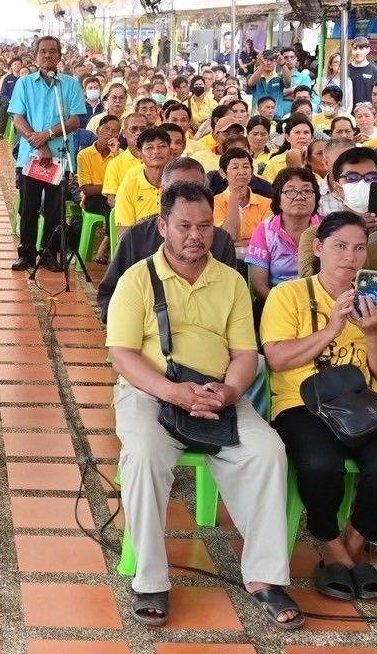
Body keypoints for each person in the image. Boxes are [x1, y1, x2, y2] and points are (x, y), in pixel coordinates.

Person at [108, 181, 300, 628]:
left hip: (217, 393)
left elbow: (245, 355)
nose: (195, 235)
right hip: (150, 391)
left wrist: (230, 392)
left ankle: (265, 577)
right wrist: (172, 392)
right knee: (143, 456)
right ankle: (150, 578)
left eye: (204, 226)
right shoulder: (137, 279)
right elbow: (122, 356)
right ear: (162, 227)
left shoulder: (230, 281)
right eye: (183, 226)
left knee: (268, 451)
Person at [262, 212, 377, 599]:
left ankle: (351, 547)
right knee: (319, 464)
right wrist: (332, 329)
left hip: (367, 403)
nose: (350, 257)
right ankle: (331, 546)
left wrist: (374, 334)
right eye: (340, 246)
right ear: (318, 248)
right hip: (303, 401)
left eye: (359, 248)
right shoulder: (288, 295)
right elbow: (277, 359)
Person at [96, 159, 239, 321]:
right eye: (178, 189)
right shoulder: (136, 237)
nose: (187, 198)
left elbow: (230, 296)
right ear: (163, 191)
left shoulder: (221, 240)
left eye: (196, 190)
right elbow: (109, 295)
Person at [296, 147, 377, 299]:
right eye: (352, 178)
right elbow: (308, 288)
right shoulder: (315, 235)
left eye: (371, 178)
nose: (362, 183)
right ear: (337, 188)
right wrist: (348, 235)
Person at [9, 36, 87, 271]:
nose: (47, 55)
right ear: (36, 56)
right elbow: (18, 118)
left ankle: (49, 253)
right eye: (42, 51)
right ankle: (27, 254)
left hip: (59, 157)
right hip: (31, 157)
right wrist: (39, 143)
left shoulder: (70, 84)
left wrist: (48, 135)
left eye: (53, 51)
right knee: (29, 208)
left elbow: (75, 120)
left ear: (60, 56)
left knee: (55, 209)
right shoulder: (24, 84)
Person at [245, 168, 320, 301]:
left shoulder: (328, 228)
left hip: (320, 301)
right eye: (291, 191)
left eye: (307, 191)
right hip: (276, 300)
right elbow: (259, 286)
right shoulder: (264, 230)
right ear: (278, 198)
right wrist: (284, 307)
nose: (299, 197)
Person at [113, 127, 173, 239]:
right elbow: (125, 232)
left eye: (162, 146)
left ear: (170, 152)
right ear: (140, 155)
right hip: (140, 244)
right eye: (150, 147)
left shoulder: (178, 184)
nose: (156, 151)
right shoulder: (129, 187)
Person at [77, 114, 120, 262]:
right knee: (111, 208)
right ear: (97, 130)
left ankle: (110, 243)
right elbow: (87, 189)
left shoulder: (120, 155)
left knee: (117, 207)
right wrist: (109, 188)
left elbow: (122, 183)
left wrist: (115, 155)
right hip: (92, 199)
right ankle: (107, 244)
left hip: (115, 197)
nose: (110, 133)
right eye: (106, 129)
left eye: (114, 131)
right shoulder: (84, 155)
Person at [215, 147, 272, 243]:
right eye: (235, 167)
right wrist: (233, 199)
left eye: (245, 167)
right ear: (223, 173)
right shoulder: (214, 202)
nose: (241, 172)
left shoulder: (266, 203)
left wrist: (237, 244)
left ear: (252, 171)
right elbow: (228, 237)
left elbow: (268, 239)